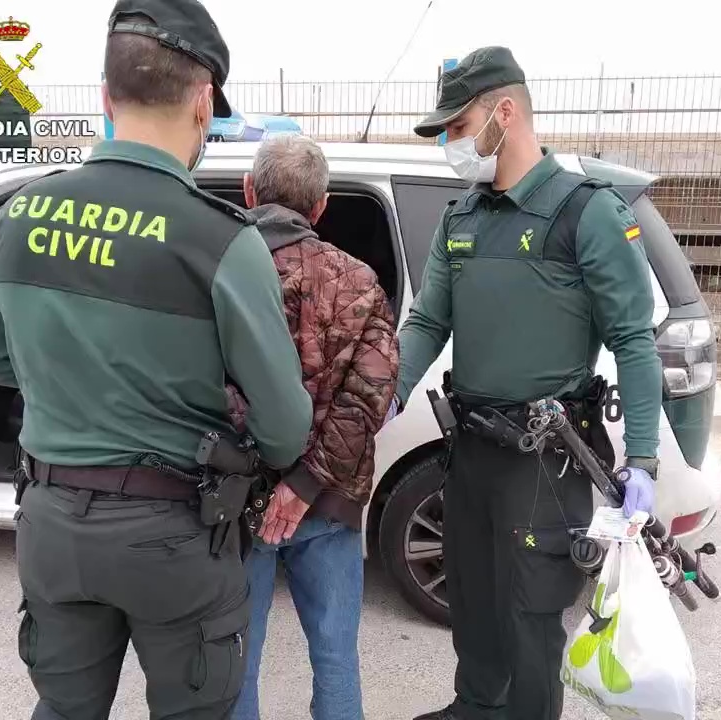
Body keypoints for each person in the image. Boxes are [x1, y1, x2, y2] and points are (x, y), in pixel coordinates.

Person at [0, 2, 313, 718]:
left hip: (52, 525)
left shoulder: (22, 214)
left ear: (105, 96)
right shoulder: (221, 239)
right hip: (173, 537)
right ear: (203, 101)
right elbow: (284, 426)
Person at [394, 46, 664, 720]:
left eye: (457, 127)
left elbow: (633, 340)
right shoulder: (464, 218)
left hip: (543, 461)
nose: (452, 144)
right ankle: (475, 705)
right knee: (474, 601)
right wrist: (384, 394)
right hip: (471, 452)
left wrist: (644, 458)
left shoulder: (586, 214)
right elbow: (428, 319)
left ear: (503, 113)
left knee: (530, 617)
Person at [222, 133, 400, 720]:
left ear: (249, 191)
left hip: (233, 503)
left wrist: (275, 480)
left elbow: (206, 392)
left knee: (235, 661)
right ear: (321, 207)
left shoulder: (220, 274)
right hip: (329, 505)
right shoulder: (360, 281)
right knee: (335, 659)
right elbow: (366, 400)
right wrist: (308, 482)